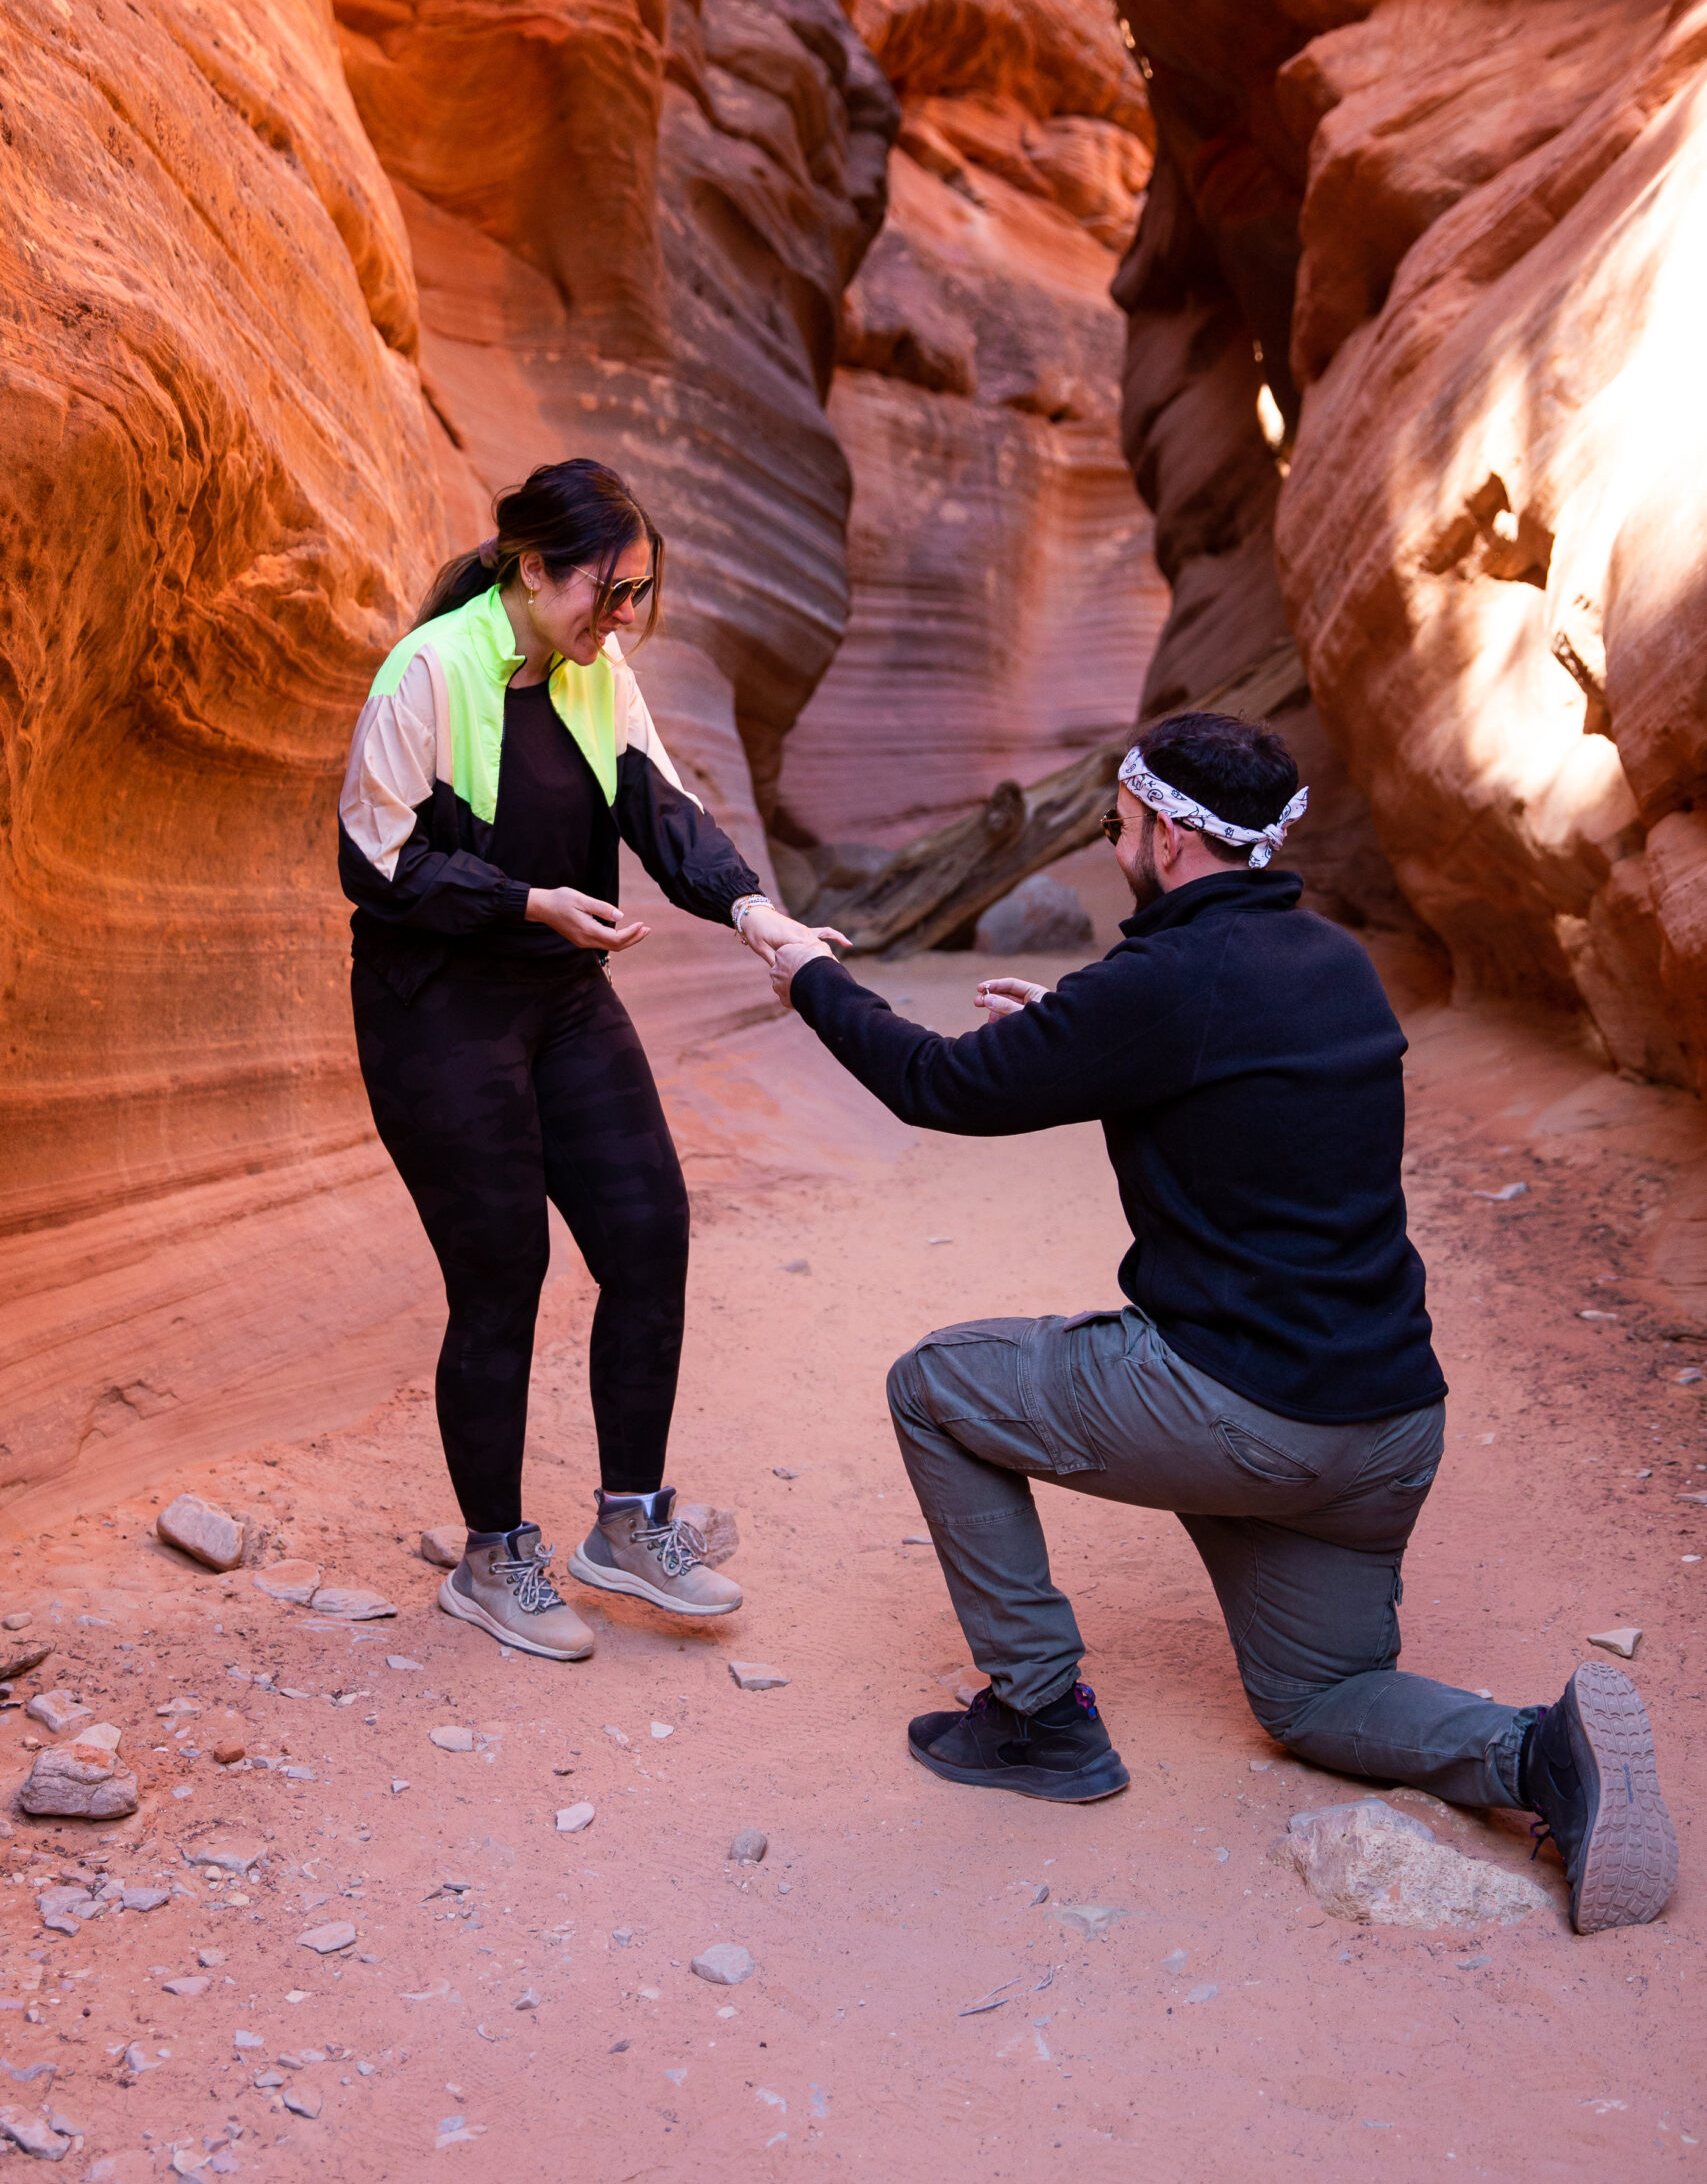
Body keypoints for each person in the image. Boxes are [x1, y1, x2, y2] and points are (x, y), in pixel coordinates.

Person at [764, 711, 1678, 1935]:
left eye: (1120, 823)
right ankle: (1541, 1759)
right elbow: (1239, 1091)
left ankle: (1038, 1718)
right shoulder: (1331, 962)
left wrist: (805, 973)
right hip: (1388, 1425)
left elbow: (936, 1085)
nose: (1114, 840)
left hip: (1245, 1415)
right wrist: (1081, 1030)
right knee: (1314, 1696)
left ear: (1172, 837)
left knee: (934, 1385)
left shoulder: (1168, 984)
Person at [338, 458, 832, 1663]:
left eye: (637, 597)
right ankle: (492, 1554)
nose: (620, 622)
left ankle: (627, 1521)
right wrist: (527, 903)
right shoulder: (429, 672)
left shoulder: (599, 675)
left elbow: (663, 813)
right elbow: (373, 864)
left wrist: (759, 917)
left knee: (648, 1232)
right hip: (437, 1006)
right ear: (530, 567)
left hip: (560, 997)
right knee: (502, 1274)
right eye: (605, 594)